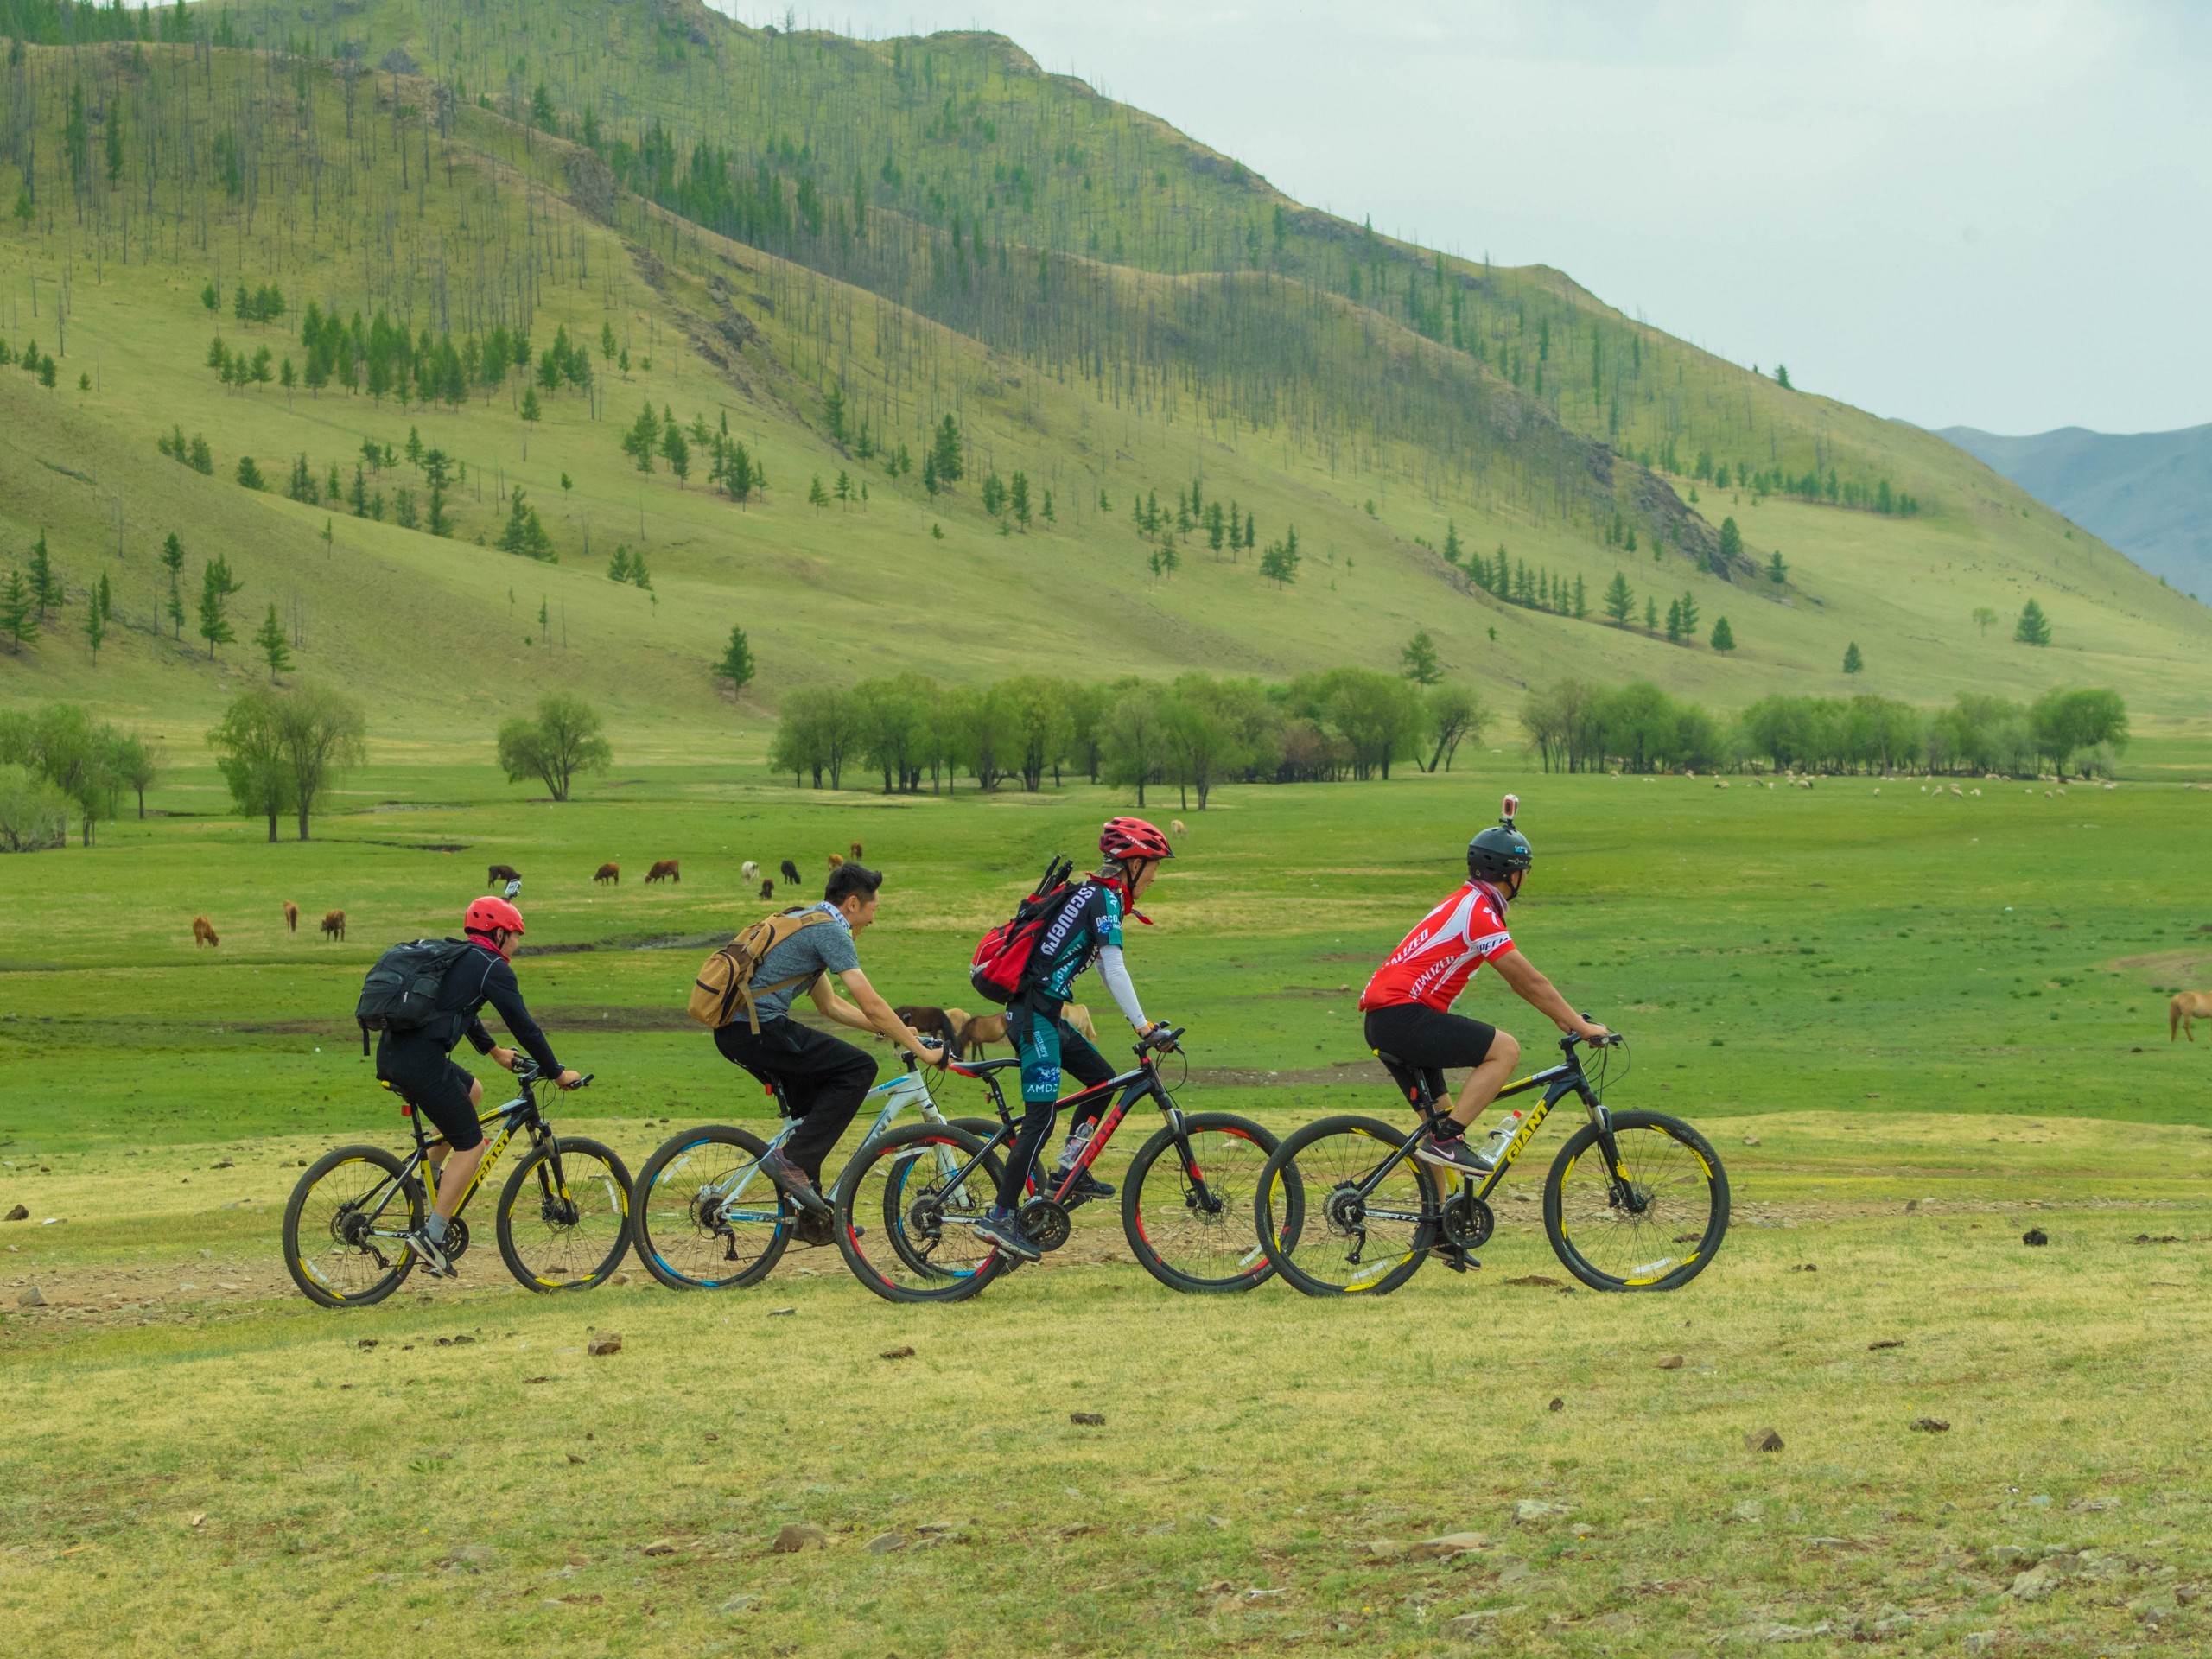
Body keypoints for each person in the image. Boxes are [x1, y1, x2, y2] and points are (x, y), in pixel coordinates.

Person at [1358, 798, 1610, 1176]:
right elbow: (1527, 981)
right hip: (1403, 1016)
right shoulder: (1479, 913)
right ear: (1511, 873)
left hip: (1389, 1019)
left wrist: (1565, 1018)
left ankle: (1439, 1228)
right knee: (1505, 1051)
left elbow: (1528, 985)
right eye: (1525, 871)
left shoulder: (1465, 902)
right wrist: (1578, 1023)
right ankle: (1449, 1141)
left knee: (1435, 1128)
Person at [974, 817, 1179, 1262]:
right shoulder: (1102, 896)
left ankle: (1069, 1171)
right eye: (1153, 867)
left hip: (1046, 1014)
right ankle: (1000, 1216)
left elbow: (1105, 966)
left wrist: (1139, 1023)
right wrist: (1144, 1027)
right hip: (1033, 1017)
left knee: (1101, 1079)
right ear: (1132, 864)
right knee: (1040, 1120)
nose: (1155, 877)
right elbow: (1114, 964)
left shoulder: (1095, 894)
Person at [713, 862, 943, 1243]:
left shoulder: (807, 920)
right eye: (873, 909)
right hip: (757, 1029)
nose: (872, 919)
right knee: (858, 1068)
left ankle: (811, 1217)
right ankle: (790, 1162)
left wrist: (895, 1030)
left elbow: (831, 1006)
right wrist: (920, 1049)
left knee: (811, 1114)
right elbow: (869, 1002)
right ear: (853, 903)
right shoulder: (832, 931)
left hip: (741, 1031)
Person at [375, 895, 582, 1277]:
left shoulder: (460, 958)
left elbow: (460, 1012)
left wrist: (495, 1052)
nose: (518, 945)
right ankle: (433, 1236)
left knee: (472, 1092)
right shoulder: (492, 967)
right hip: (422, 1064)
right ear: (499, 933)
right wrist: (556, 1073)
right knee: (471, 1146)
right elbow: (525, 1026)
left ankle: (431, 1179)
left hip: (394, 1055)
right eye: (516, 936)